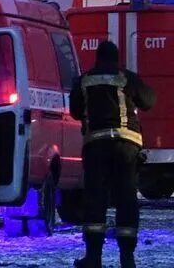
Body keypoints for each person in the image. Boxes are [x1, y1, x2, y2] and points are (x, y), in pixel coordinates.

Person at [71, 40, 157, 268]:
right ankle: (127, 257)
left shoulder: (84, 80)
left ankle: (93, 257)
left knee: (95, 199)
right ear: (116, 58)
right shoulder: (127, 77)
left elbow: (75, 110)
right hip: (126, 147)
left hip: (96, 145)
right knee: (126, 198)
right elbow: (149, 101)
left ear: (96, 58)